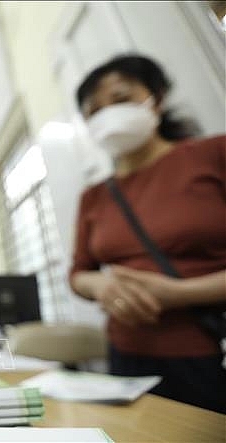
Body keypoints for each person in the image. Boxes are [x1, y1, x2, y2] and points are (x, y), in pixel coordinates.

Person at [69, 54, 226, 413]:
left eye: (121, 99)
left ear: (156, 98)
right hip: (126, 357)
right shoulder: (94, 196)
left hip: (211, 350)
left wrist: (181, 294)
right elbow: (78, 273)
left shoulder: (214, 155)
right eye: (94, 110)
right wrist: (101, 286)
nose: (108, 114)